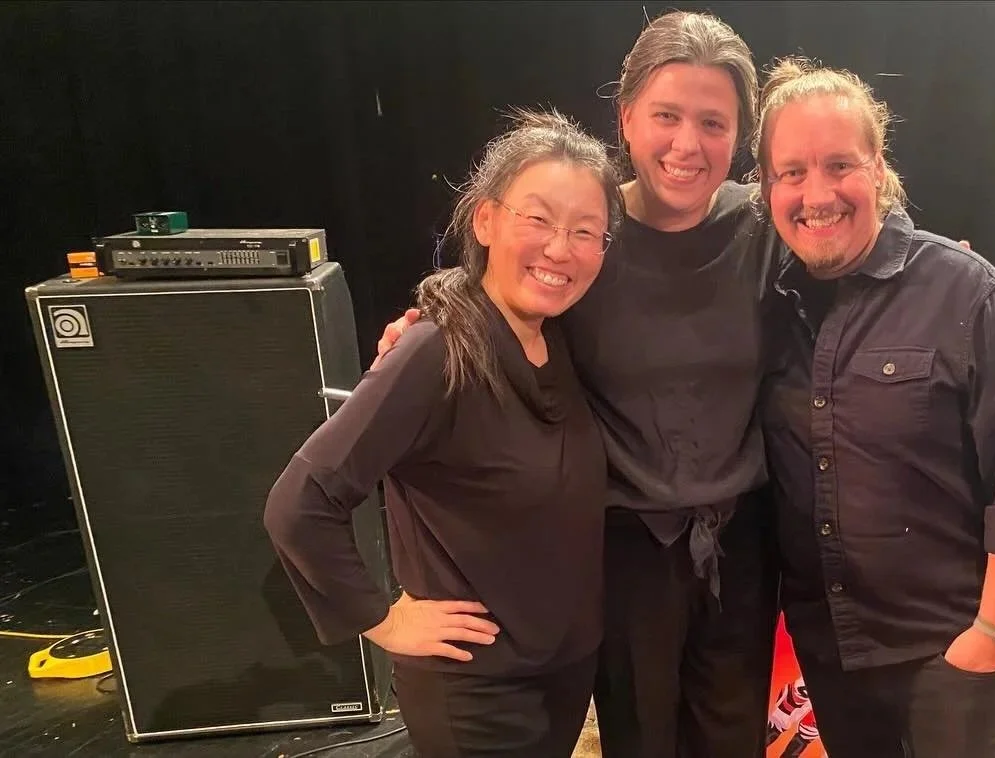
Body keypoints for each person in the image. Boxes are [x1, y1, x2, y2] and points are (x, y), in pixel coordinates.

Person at [374, 11, 782, 758]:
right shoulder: (589, 233)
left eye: (713, 123)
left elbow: (844, 233)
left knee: (734, 739)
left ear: (740, 137)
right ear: (625, 118)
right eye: (666, 115)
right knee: (642, 739)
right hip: (622, 548)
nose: (687, 144)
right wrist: (432, 317)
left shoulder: (763, 227)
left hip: (741, 542)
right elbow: (498, 285)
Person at [262, 108, 623, 758]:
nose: (559, 249)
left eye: (584, 231)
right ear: (485, 220)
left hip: (562, 672)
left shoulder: (561, 338)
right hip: (476, 693)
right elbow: (300, 503)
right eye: (538, 219)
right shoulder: (433, 351)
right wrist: (381, 618)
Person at [749, 57, 995, 757]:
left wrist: (991, 635)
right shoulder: (771, 305)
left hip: (946, 652)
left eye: (840, 165)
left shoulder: (969, 293)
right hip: (830, 648)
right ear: (767, 187)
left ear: (877, 168)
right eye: (791, 172)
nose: (816, 193)